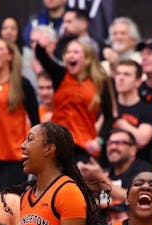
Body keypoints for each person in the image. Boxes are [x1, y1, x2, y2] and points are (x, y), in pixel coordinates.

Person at [33, 33, 114, 161]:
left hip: (83, 146)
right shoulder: (60, 75)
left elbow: (109, 117)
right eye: (68, 52)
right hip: (56, 143)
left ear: (87, 59)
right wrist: (40, 45)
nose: (70, 55)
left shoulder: (99, 82)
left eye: (76, 52)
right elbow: (43, 58)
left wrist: (99, 141)